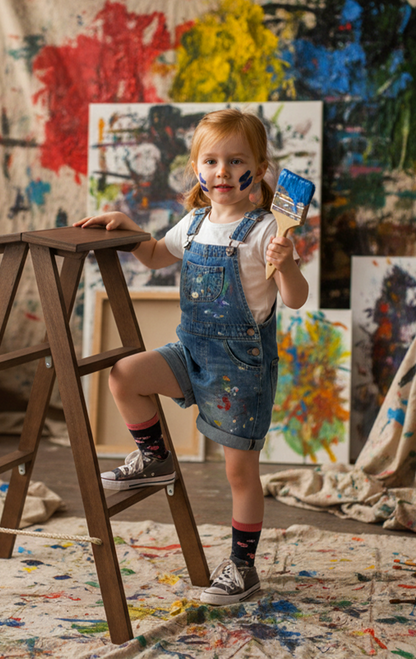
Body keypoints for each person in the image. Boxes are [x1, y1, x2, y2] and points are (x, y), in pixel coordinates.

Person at [74, 108, 309, 605]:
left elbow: (294, 299)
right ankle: (155, 459)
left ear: (260, 169)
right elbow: (158, 254)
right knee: (124, 375)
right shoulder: (196, 222)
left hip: (240, 369)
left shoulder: (268, 230)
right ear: (197, 169)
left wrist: (286, 267)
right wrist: (131, 229)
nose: (223, 171)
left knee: (239, 474)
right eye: (212, 160)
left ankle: (243, 568)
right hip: (191, 351)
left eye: (236, 160)